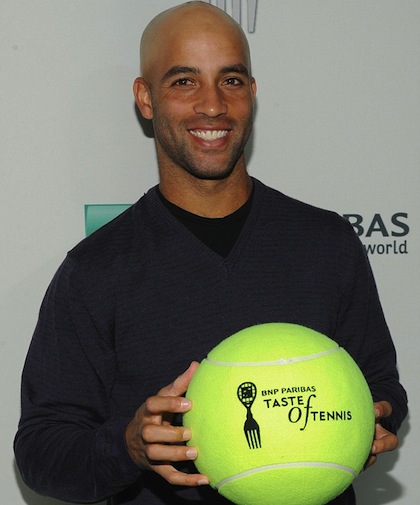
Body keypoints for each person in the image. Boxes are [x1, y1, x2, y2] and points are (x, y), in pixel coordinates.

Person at [14, 2, 407, 505]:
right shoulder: (96, 269)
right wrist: (127, 447)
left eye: (231, 80)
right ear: (146, 98)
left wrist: (371, 418)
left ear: (252, 93)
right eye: (184, 81)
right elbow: (41, 450)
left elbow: (380, 383)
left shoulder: (328, 242)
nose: (213, 105)